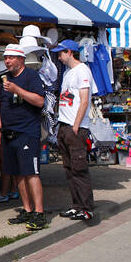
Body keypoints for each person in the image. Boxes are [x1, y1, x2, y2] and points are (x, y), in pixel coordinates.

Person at [0, 46, 48, 230]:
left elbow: (40, 101)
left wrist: (18, 89)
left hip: (27, 132)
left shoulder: (30, 76)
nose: (7, 61)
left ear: (21, 59)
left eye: (11, 58)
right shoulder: (6, 80)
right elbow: (4, 107)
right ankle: (27, 209)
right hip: (9, 133)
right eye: (6, 58)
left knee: (31, 172)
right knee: (17, 173)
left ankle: (39, 213)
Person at [52, 39, 96, 222]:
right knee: (69, 169)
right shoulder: (68, 72)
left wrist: (76, 125)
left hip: (75, 127)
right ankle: (76, 205)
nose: (59, 57)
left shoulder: (82, 70)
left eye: (61, 53)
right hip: (65, 124)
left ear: (70, 52)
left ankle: (86, 208)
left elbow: (84, 100)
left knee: (79, 169)